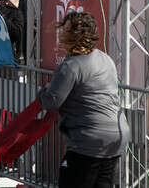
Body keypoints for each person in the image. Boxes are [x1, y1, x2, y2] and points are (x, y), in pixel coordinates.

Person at [37, 11, 129, 188]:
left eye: (64, 30)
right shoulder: (105, 58)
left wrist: (43, 92)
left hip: (89, 140)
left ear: (73, 36)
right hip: (115, 135)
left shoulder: (71, 66)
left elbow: (52, 101)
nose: (61, 34)